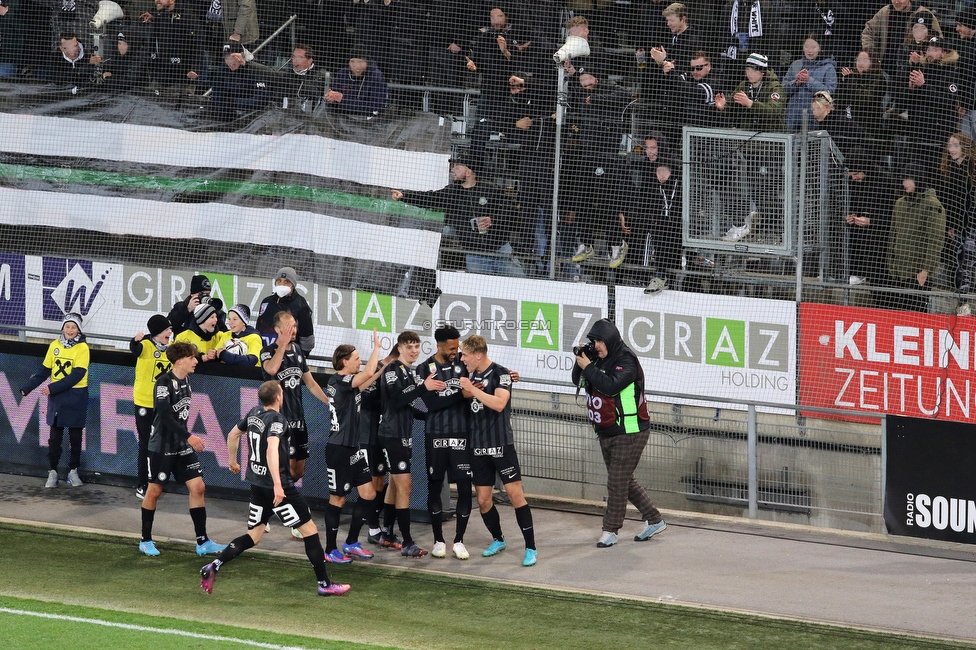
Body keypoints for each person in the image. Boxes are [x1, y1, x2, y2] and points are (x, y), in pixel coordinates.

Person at [200, 380, 350, 597]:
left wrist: (232, 461)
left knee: (254, 535)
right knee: (310, 531)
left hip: (257, 485)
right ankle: (325, 584)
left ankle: (214, 565)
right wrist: (279, 485)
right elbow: (272, 450)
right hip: (277, 487)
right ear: (279, 396)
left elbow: (233, 435)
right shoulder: (278, 420)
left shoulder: (253, 412)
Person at [571, 318, 666, 548]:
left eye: (599, 342)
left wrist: (590, 367)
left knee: (616, 482)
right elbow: (577, 379)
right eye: (593, 342)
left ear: (610, 341)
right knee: (624, 480)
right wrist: (581, 361)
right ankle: (654, 519)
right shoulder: (596, 358)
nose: (596, 347)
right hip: (606, 430)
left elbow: (611, 385)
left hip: (630, 431)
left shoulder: (627, 360)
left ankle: (610, 530)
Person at [138, 341, 227, 557]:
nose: (196, 361)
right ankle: (145, 540)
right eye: (192, 358)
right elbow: (165, 416)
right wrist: (190, 436)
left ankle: (202, 541)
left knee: (198, 487)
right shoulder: (163, 383)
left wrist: (186, 439)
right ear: (179, 361)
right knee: (155, 490)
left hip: (181, 446)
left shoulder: (187, 380)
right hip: (161, 446)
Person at [458, 334, 537, 567]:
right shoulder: (468, 374)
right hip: (478, 447)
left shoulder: (501, 373)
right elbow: (463, 393)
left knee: (515, 496)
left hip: (501, 446)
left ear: (478, 355)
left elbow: (499, 403)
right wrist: (468, 388)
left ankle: (531, 548)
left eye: (466, 355)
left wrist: (473, 390)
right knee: (483, 500)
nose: (462, 359)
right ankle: (498, 539)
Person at [392, 161, 524, 277]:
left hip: (501, 251)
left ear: (468, 171)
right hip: (475, 255)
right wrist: (405, 195)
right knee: (481, 294)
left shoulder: (490, 188)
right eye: (452, 167)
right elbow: (429, 198)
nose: (452, 170)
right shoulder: (451, 192)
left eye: (457, 167)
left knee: (520, 286)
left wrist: (493, 219)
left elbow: (510, 209)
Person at [321, 330, 382, 564]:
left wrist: (381, 370)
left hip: (353, 449)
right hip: (339, 450)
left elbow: (367, 377)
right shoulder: (340, 381)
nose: (360, 361)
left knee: (368, 494)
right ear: (344, 361)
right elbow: (366, 373)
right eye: (357, 358)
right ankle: (329, 549)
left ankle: (352, 543)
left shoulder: (348, 383)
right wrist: (376, 348)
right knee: (338, 500)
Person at [415, 326, 474, 560]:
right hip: (435, 435)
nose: (455, 351)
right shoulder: (424, 369)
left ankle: (458, 540)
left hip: (461, 435)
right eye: (451, 348)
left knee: (464, 489)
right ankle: (438, 540)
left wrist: (507, 375)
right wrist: (461, 394)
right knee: (435, 486)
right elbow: (432, 404)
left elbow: (483, 376)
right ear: (438, 345)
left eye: (457, 347)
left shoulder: (464, 364)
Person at [260, 310, 330, 487]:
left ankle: (279, 496)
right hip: (280, 420)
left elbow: (311, 383)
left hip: (299, 420)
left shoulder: (298, 350)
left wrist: (329, 402)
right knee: (287, 468)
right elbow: (271, 370)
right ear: (277, 330)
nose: (293, 330)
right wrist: (282, 345)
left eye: (294, 326)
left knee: (298, 471)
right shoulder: (268, 352)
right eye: (288, 327)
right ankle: (278, 501)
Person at [21, 312, 90, 489]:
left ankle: (73, 471)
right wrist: (28, 387)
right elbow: (44, 371)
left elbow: (77, 375)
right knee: (55, 437)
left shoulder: (83, 348)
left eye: (74, 327)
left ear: (79, 330)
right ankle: (53, 471)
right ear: (63, 328)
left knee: (75, 437)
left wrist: (52, 388)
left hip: (76, 396)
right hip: (57, 399)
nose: (70, 330)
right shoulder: (54, 346)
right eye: (67, 326)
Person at [377, 330, 428, 557]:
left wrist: (427, 415)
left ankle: (386, 533)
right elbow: (397, 400)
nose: (414, 351)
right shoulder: (392, 369)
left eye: (417, 346)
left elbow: (406, 405)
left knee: (395, 485)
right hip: (392, 435)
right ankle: (407, 542)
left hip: (402, 434)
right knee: (405, 485)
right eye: (410, 347)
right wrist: (422, 388)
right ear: (399, 348)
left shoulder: (408, 372)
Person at [886, 164, 945, 312]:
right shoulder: (899, 204)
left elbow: (935, 241)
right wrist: (891, 264)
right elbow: (893, 234)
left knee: (916, 316)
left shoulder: (932, 205)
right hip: (897, 272)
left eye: (907, 179)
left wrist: (926, 270)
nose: (904, 183)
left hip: (918, 274)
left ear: (917, 179)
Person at [129, 314, 173, 499]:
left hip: (163, 405)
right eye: (166, 330)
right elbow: (135, 349)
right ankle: (143, 484)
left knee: (161, 445)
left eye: (170, 329)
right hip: (144, 402)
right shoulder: (145, 345)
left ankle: (156, 481)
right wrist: (134, 340)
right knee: (145, 444)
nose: (170, 332)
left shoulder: (171, 349)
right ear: (156, 332)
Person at [861, 1, 942, 74]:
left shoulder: (924, 14)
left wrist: (923, 58)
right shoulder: (885, 12)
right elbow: (868, 32)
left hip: (913, 73)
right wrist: (871, 54)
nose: (896, 2)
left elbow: (938, 41)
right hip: (885, 70)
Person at [782, 34, 837, 132]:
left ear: (820, 48)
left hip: (815, 116)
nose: (809, 50)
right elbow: (783, 89)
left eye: (813, 47)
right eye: (806, 46)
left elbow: (830, 91)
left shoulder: (828, 67)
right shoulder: (796, 64)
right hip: (793, 115)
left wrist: (809, 81)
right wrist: (796, 82)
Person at [256, 267, 315, 354]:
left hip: (287, 358)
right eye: (279, 281)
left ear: (293, 285)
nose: (282, 284)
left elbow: (307, 341)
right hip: (265, 355)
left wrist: (298, 358)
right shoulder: (266, 302)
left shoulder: (301, 305)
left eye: (286, 281)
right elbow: (258, 328)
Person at [325, 47, 389, 116]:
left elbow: (376, 108)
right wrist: (331, 99)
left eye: (360, 62)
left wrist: (343, 99)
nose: (356, 66)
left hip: (368, 122)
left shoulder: (376, 76)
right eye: (352, 62)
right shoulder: (342, 73)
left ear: (367, 62)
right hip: (341, 119)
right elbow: (334, 100)